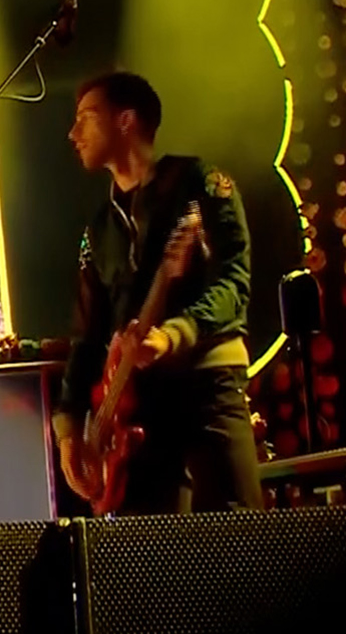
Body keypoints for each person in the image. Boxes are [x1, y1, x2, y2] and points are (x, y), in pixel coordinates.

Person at [52, 71, 262, 514]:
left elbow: (233, 282)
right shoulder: (99, 227)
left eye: (86, 117)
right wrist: (69, 425)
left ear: (125, 120)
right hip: (136, 405)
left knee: (236, 529)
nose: (73, 134)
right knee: (149, 542)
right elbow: (87, 331)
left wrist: (173, 335)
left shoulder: (198, 183)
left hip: (207, 383)